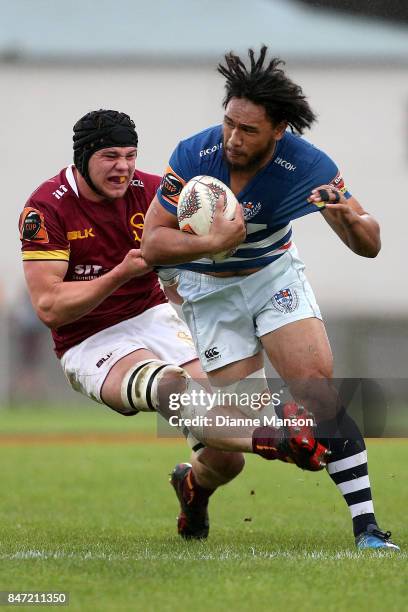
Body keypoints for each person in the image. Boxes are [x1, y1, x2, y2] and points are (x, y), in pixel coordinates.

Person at [19, 108, 327, 541]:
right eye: (110, 156)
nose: (123, 167)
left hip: (154, 317)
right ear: (83, 157)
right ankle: (277, 440)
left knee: (226, 456)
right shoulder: (46, 206)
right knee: (169, 387)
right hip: (89, 339)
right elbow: (49, 307)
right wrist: (119, 275)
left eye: (129, 155)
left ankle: (192, 488)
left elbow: (181, 257)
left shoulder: (152, 190)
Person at [141, 47, 399, 550]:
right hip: (207, 293)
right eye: (229, 124)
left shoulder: (309, 165)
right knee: (241, 433)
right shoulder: (195, 154)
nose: (233, 139)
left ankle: (366, 528)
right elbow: (152, 244)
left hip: (272, 276)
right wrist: (212, 242)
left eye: (249, 130)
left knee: (318, 392)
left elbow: (370, 244)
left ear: (280, 129)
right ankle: (193, 483)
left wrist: (344, 215)